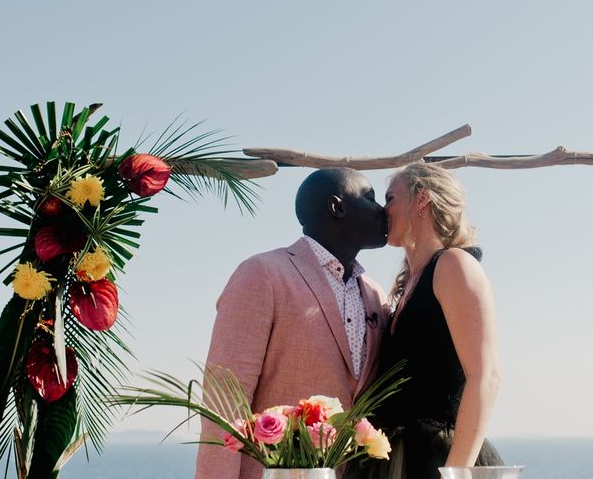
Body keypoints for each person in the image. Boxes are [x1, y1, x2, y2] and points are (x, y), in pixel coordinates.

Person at [195, 167, 389, 479]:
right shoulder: (262, 274)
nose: (383, 211)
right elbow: (226, 399)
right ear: (337, 207)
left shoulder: (375, 294)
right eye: (370, 198)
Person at [366, 162, 502, 479]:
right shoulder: (408, 284)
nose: (382, 210)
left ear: (422, 199)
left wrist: (454, 473)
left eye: (390, 198)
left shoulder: (454, 265)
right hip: (394, 457)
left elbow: (486, 376)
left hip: (439, 458)